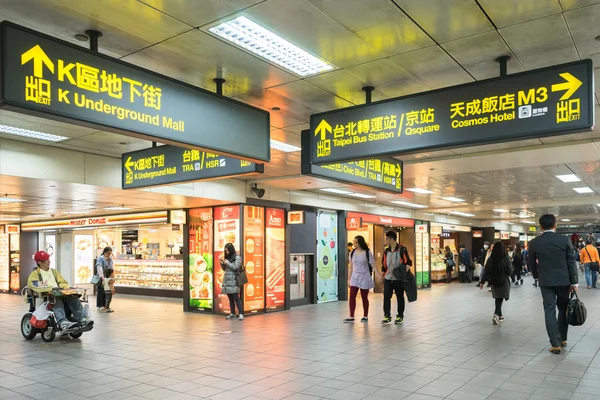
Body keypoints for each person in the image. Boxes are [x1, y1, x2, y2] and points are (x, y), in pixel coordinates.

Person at [528, 214, 578, 354]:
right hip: (564, 281)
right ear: (554, 225)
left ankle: (555, 344)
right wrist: (574, 282)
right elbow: (571, 261)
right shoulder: (564, 240)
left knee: (549, 310)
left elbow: (531, 263)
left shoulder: (534, 242)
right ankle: (562, 338)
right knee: (563, 308)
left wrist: (536, 276)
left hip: (546, 281)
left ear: (540, 226)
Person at [27, 251, 93, 330]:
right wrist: (50, 289)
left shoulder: (54, 272)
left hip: (59, 292)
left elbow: (62, 282)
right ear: (39, 262)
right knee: (56, 300)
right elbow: (34, 285)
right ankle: (62, 322)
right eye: (46, 260)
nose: (49, 261)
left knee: (74, 298)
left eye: (48, 258)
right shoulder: (34, 274)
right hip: (47, 296)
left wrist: (65, 289)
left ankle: (82, 319)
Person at [381, 231, 412, 325]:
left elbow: (408, 263)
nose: (386, 241)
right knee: (386, 297)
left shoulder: (402, 249)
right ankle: (387, 315)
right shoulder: (386, 251)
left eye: (387, 238)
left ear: (391, 239)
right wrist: (382, 277)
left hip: (398, 279)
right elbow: (384, 265)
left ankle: (400, 316)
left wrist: (402, 273)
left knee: (400, 297)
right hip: (388, 278)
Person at [480, 242, 512, 324]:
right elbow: (510, 271)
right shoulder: (506, 258)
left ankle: (500, 315)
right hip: (503, 281)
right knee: (500, 298)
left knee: (498, 298)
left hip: (493, 281)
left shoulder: (491, 259)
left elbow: (486, 271)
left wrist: (482, 281)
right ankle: (496, 314)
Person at [345, 235, 375, 323]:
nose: (354, 244)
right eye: (354, 242)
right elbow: (351, 267)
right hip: (354, 276)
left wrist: (379, 276)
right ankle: (351, 316)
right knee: (352, 295)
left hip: (365, 276)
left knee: (364, 297)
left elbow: (373, 265)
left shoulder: (367, 252)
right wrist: (349, 279)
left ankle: (365, 316)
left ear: (360, 242)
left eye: (356, 242)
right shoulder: (352, 253)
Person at [220, 243, 244, 321]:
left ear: (231, 249)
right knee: (230, 298)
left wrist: (227, 263)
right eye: (225, 251)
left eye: (227, 250)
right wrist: (222, 262)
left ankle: (241, 314)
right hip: (227, 280)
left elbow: (236, 267)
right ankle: (232, 313)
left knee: (236, 297)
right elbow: (224, 269)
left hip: (234, 280)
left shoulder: (237, 257)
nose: (226, 252)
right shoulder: (228, 257)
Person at [95, 247, 113, 312]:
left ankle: (105, 305)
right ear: (104, 252)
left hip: (107, 277)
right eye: (108, 253)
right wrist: (102, 277)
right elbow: (99, 267)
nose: (109, 254)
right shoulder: (100, 258)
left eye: (110, 253)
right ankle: (100, 305)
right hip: (101, 277)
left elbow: (111, 267)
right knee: (100, 291)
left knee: (106, 292)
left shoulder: (110, 259)